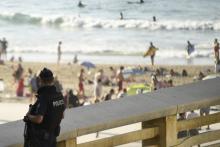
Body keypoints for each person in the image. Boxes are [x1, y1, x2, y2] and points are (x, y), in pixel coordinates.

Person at [23, 68, 65, 147]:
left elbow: (39, 119)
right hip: (52, 137)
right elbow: (62, 115)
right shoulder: (59, 96)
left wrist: (29, 116)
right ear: (52, 80)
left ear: (40, 80)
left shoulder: (44, 97)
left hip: (40, 140)